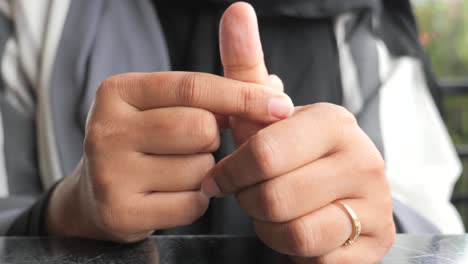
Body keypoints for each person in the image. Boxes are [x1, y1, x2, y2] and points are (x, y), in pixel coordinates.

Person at [0, 0, 463, 263]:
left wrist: (374, 228)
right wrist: (66, 212)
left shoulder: (364, 19)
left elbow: (437, 230)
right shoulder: (39, 13)